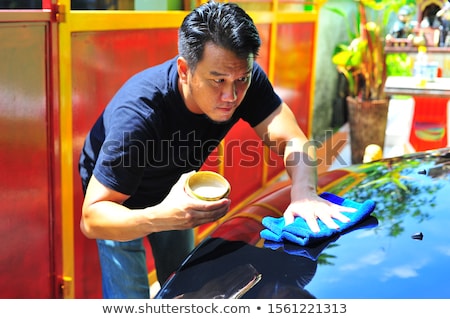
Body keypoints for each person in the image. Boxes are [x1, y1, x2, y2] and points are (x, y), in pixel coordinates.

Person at [78, 0, 355, 299]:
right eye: (217, 81)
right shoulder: (138, 115)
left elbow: (293, 141)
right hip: (118, 197)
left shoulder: (240, 77)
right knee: (129, 299)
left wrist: (304, 194)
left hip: (177, 185)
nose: (231, 95)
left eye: (241, 80)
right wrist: (161, 217)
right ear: (185, 70)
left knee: (187, 285)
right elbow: (92, 219)